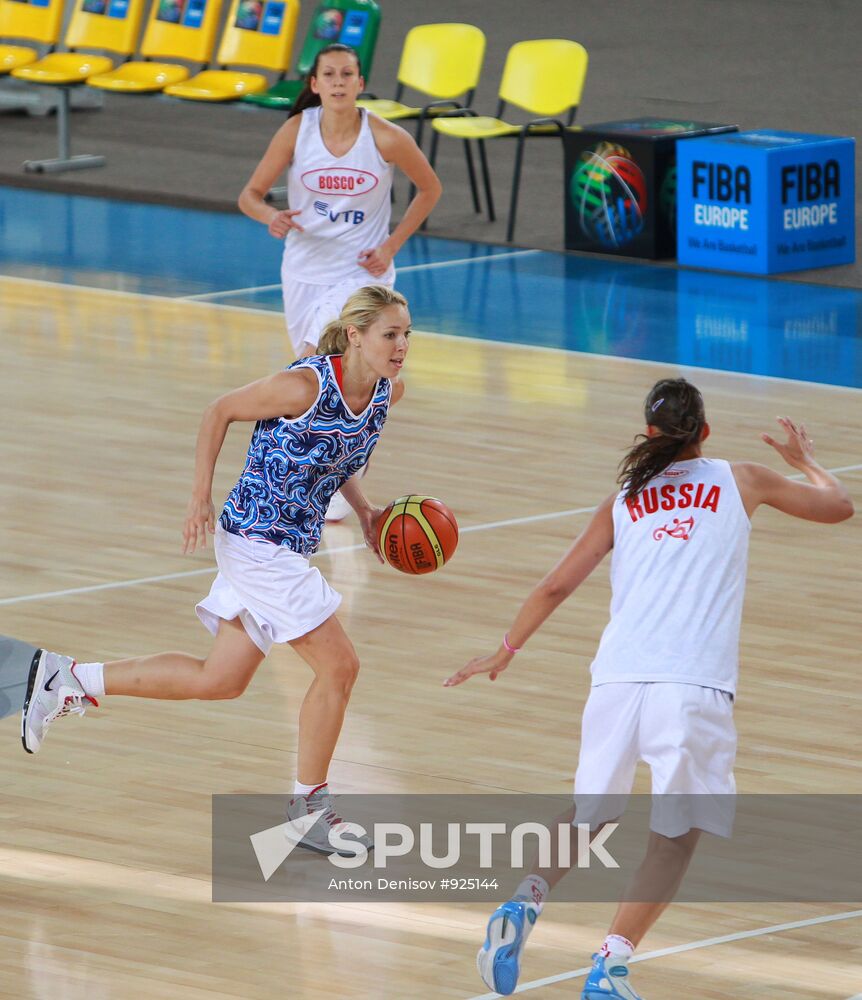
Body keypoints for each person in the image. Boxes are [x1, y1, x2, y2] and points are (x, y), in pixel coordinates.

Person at [444, 378, 854, 999]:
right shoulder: (741, 478)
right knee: (676, 835)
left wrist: (502, 652)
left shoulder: (624, 499)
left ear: (649, 433)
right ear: (704, 433)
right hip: (691, 683)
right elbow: (838, 506)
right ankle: (609, 967)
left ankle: (524, 903)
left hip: (616, 677)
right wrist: (807, 463)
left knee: (591, 812)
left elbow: (555, 586)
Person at [21, 285, 411, 854]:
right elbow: (219, 410)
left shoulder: (384, 395)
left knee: (220, 680)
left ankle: (69, 678)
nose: (401, 346)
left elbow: (334, 457)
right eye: (390, 334)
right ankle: (308, 812)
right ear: (355, 335)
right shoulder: (303, 385)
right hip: (257, 543)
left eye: (406, 335)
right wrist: (199, 496)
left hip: (285, 547)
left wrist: (368, 511)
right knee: (340, 667)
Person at [238, 42, 439, 522]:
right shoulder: (296, 131)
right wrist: (271, 215)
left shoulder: (385, 137)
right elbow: (248, 195)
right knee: (319, 383)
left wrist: (391, 245)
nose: (338, 82)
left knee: (322, 365)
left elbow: (430, 188)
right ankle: (339, 466)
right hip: (304, 270)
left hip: (359, 275)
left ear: (360, 83)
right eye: (329, 74)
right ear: (315, 84)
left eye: (347, 74)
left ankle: (335, 482)